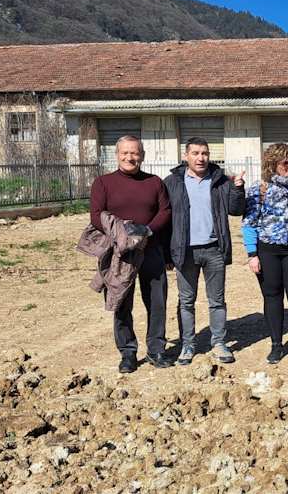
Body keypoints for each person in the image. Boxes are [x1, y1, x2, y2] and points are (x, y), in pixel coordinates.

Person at [89, 135, 172, 373]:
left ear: (142, 156)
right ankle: (128, 353)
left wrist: (146, 230)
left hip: (150, 250)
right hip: (119, 254)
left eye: (134, 153)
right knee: (122, 303)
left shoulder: (155, 182)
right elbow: (96, 215)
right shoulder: (103, 183)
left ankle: (156, 349)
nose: (130, 157)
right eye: (125, 153)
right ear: (117, 155)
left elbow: (165, 211)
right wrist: (122, 233)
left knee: (157, 302)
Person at [163, 137, 246, 366]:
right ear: (185, 156)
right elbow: (165, 219)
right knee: (186, 301)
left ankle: (218, 343)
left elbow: (236, 210)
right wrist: (166, 254)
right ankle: (187, 345)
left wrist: (238, 188)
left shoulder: (220, 181)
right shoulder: (172, 182)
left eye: (205, 153)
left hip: (214, 250)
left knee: (217, 300)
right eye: (196, 153)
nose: (201, 158)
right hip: (184, 252)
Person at [242, 143, 288, 364]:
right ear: (273, 164)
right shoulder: (259, 189)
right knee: (272, 297)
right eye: (286, 163)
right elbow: (249, 223)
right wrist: (252, 254)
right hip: (268, 251)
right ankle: (276, 344)